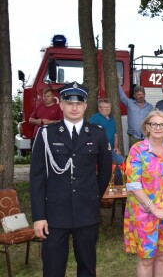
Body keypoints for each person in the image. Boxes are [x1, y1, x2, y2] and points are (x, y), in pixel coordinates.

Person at [30, 81, 112, 277]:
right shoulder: (46, 134)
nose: (74, 108)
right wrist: (39, 216)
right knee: (53, 269)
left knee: (87, 268)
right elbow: (37, 177)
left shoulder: (97, 133)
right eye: (69, 103)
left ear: (85, 106)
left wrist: (93, 196)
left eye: (78, 103)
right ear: (61, 105)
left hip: (86, 212)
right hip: (54, 214)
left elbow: (105, 172)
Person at [124, 110, 163, 275]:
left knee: (162, 255)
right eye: (154, 124)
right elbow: (133, 184)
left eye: (162, 124)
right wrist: (154, 209)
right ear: (147, 127)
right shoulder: (137, 150)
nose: (158, 127)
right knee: (146, 259)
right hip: (144, 214)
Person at [89, 98, 125, 181]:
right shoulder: (95, 118)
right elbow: (91, 135)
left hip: (111, 150)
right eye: (104, 107)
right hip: (99, 150)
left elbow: (115, 135)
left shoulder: (112, 120)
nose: (107, 109)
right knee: (103, 167)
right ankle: (103, 185)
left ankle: (116, 183)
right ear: (99, 108)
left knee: (122, 162)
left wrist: (116, 147)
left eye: (108, 107)